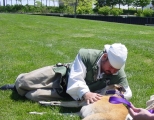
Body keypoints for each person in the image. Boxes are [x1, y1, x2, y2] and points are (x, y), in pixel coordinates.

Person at [0, 43, 132, 104]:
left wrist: (109, 96)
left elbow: (127, 93)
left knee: (32, 95)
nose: (113, 72)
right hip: (60, 75)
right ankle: (17, 84)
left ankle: (23, 90)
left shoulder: (117, 72)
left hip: (66, 93)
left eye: (116, 70)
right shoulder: (86, 55)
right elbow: (76, 78)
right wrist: (86, 93)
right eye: (111, 68)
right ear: (104, 57)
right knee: (24, 82)